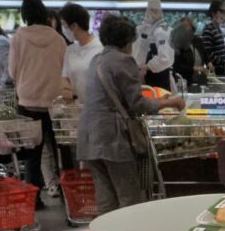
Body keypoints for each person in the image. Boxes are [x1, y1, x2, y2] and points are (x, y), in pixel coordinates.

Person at [77, 15, 183, 214]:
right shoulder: (123, 61)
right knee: (129, 198)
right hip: (112, 138)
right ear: (127, 41)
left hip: (88, 136)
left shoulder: (96, 60)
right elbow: (138, 104)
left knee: (105, 199)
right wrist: (170, 102)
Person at [9, 0, 67, 198]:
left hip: (29, 102)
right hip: (55, 102)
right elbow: (65, 69)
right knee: (61, 150)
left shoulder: (18, 38)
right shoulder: (58, 39)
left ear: (24, 15)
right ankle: (68, 195)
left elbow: (12, 71)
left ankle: (33, 200)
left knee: (32, 153)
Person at [60, 2, 102, 99]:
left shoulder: (100, 48)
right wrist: (65, 88)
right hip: (75, 105)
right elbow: (65, 77)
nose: (63, 30)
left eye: (64, 25)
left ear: (74, 26)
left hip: (95, 105)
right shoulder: (70, 50)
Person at [134, 0, 174, 91]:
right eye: (152, 10)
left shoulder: (164, 31)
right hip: (141, 76)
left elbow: (165, 58)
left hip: (159, 78)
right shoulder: (140, 29)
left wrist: (147, 67)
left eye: (156, 10)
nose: (154, 14)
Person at [169, 16, 202, 86]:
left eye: (186, 26)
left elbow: (203, 55)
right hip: (181, 82)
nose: (184, 29)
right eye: (182, 26)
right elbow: (177, 66)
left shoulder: (195, 41)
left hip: (194, 80)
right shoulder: (177, 43)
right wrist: (194, 68)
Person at [200, 0, 225, 77]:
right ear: (213, 14)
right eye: (221, 12)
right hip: (214, 72)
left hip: (220, 70)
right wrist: (224, 62)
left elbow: (220, 53)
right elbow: (208, 54)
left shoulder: (217, 29)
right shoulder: (208, 30)